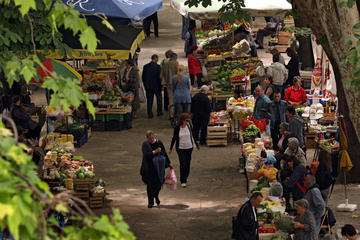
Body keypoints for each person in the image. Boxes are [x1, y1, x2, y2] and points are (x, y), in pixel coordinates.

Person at [140, 130, 173, 208]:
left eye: (152, 138)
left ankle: (156, 195)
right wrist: (154, 151)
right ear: (147, 138)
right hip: (149, 168)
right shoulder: (145, 144)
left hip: (158, 167)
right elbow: (146, 155)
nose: (151, 140)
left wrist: (169, 163)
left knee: (158, 184)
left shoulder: (159, 142)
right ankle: (150, 202)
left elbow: (164, 153)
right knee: (150, 185)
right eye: (150, 139)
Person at [169, 113, 199, 187]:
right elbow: (174, 138)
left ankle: (185, 176)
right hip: (180, 148)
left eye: (188, 120)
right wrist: (171, 148)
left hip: (189, 147)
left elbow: (193, 136)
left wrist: (197, 145)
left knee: (188, 164)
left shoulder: (189, 126)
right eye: (186, 120)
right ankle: (183, 180)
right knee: (183, 164)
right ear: (182, 120)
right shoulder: (177, 128)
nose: (188, 122)